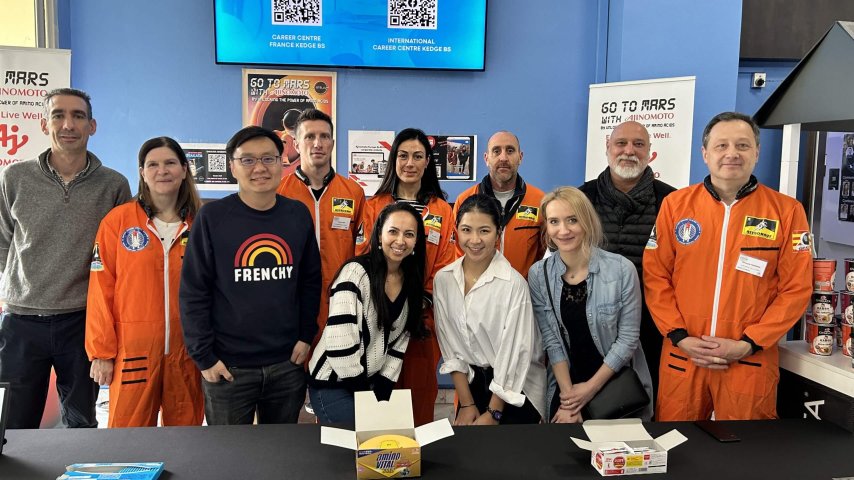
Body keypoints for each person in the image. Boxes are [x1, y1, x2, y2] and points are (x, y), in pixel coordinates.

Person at [643, 112, 812, 421]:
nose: (732, 153)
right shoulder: (675, 206)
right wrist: (679, 336)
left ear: (757, 153)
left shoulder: (787, 212)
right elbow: (656, 277)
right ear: (705, 154)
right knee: (679, 449)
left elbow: (796, 289)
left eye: (743, 145)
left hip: (748, 359)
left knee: (746, 455)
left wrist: (750, 343)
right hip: (685, 355)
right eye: (722, 145)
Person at [0, 88, 131, 429]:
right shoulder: (14, 178)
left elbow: (119, 259)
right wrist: (13, 290)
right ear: (45, 125)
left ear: (93, 126)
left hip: (81, 322)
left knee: (81, 423)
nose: (68, 124)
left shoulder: (114, 185)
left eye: (78, 116)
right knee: (13, 425)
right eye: (58, 115)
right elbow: (2, 243)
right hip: (21, 322)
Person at [179, 126, 321, 425]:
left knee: (280, 458)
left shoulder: (297, 215)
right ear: (232, 166)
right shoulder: (212, 218)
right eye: (248, 160)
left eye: (268, 159)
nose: (259, 168)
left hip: (286, 363)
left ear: (282, 163)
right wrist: (204, 358)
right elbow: (194, 291)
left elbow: (310, 281)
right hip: (228, 367)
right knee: (230, 462)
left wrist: (306, 336)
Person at [86, 137, 204, 428]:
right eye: (153, 164)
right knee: (129, 443)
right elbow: (101, 289)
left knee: (187, 442)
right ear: (142, 172)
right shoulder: (117, 222)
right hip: (134, 353)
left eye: (170, 163)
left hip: (187, 352)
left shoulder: (202, 222)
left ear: (185, 169)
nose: (162, 170)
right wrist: (101, 352)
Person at [355, 128, 456, 425]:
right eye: (403, 155)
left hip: (421, 321)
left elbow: (446, 265)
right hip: (378, 318)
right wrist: (383, 300)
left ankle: (417, 461)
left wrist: (418, 302)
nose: (409, 163)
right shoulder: (374, 206)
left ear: (427, 163)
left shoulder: (441, 210)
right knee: (378, 398)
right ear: (393, 160)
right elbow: (363, 255)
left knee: (419, 397)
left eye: (417, 156)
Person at [529, 187, 653, 422]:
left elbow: (628, 340)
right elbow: (552, 340)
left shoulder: (621, 269)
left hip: (614, 385)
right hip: (567, 383)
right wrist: (569, 399)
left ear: (586, 220)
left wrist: (589, 390)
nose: (563, 230)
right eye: (554, 221)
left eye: (572, 220)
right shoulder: (539, 274)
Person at [579, 121, 675, 403]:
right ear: (607, 148)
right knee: (595, 402)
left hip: (653, 325)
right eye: (621, 143)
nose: (629, 151)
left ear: (649, 152)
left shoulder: (672, 200)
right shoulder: (583, 198)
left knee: (650, 400)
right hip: (593, 323)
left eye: (638, 144)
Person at [308, 203, 428, 426]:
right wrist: (368, 401)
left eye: (409, 234)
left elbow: (399, 343)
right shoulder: (355, 273)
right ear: (379, 234)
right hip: (334, 384)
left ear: (416, 242)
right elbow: (340, 344)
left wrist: (382, 391)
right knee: (371, 440)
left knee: (393, 440)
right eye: (393, 231)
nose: (400, 241)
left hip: (369, 383)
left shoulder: (411, 280)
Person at [434, 194, 546, 425]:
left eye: (484, 231)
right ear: (456, 230)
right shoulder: (443, 280)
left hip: (516, 389)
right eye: (466, 230)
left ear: (498, 233)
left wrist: (494, 413)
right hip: (472, 386)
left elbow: (514, 355)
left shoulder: (513, 284)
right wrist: (466, 404)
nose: (474, 240)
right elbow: (450, 345)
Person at [277, 109, 365, 360]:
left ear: (333, 143)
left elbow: (363, 250)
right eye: (309, 136)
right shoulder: (279, 193)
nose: (318, 143)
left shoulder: (353, 193)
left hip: (340, 303)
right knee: (292, 385)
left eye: (324, 136)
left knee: (335, 385)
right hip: (292, 304)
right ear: (295, 143)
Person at [453, 131, 544, 278]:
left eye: (510, 150)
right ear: (486, 158)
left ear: (520, 157)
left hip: (522, 294)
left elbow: (543, 253)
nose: (503, 158)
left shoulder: (539, 201)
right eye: (496, 151)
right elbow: (458, 251)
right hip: (476, 292)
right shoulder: (464, 200)